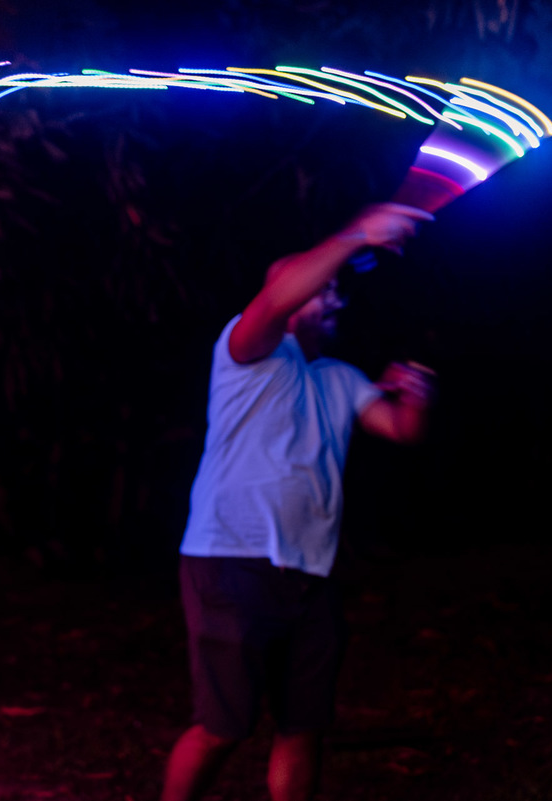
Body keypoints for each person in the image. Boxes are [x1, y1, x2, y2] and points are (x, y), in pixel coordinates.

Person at [162, 203, 437, 801]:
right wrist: (360, 232)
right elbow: (281, 296)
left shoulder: (339, 377)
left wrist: (417, 391)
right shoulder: (248, 353)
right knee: (221, 729)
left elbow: (403, 430)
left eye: (336, 293)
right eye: (323, 291)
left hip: (310, 574)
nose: (334, 300)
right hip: (230, 563)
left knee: (304, 727)